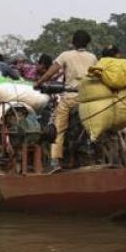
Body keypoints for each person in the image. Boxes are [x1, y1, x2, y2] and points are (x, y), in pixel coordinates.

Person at [35, 30, 98, 172]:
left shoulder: (66, 55)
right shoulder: (93, 57)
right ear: (87, 43)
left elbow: (51, 72)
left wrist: (39, 83)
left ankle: (55, 160)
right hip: (88, 98)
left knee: (59, 128)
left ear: (73, 42)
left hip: (70, 97)